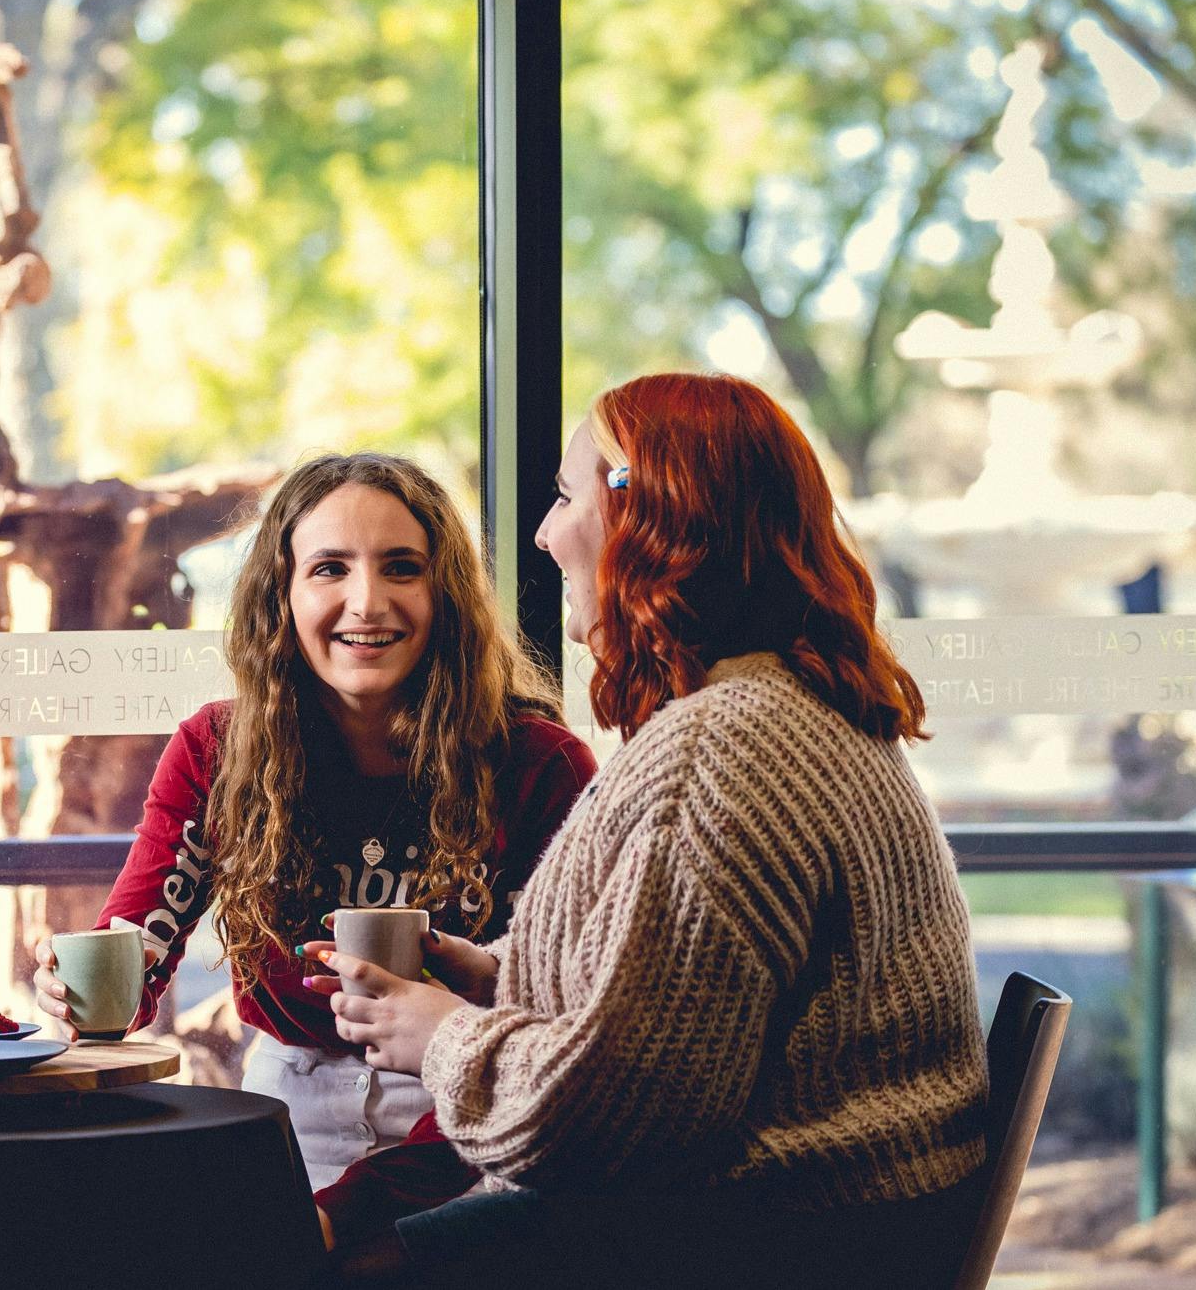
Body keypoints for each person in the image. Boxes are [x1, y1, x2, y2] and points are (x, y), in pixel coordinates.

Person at [310, 373, 991, 1287]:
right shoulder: (786, 709)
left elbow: (601, 1122)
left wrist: (439, 1035)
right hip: (833, 1232)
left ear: (649, 518)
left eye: (562, 497)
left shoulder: (717, 757)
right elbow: (698, 1001)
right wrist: (498, 972)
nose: (545, 535)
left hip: (755, 1249)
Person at [29, 452, 598, 1250]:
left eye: (403, 567)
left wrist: (341, 1218)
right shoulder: (215, 749)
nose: (367, 601)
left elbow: (557, 1028)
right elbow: (134, 951)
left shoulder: (542, 764)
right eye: (330, 567)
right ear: (281, 595)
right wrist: (79, 994)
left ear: (447, 595)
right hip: (283, 1114)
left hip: (474, 1117)